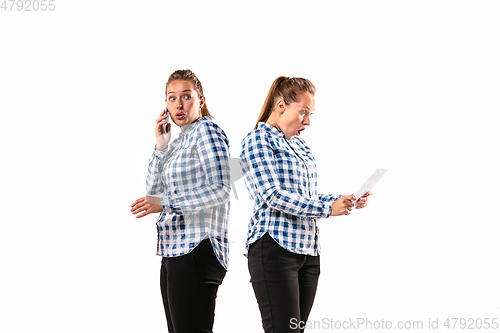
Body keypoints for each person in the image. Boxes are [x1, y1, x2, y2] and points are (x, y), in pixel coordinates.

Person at [239, 76, 372, 333]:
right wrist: (326, 209)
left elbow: (307, 195)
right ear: (280, 106)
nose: (308, 121)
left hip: (308, 252)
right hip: (274, 249)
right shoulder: (257, 140)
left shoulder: (300, 146)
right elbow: (272, 195)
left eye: (310, 114)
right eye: (303, 112)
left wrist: (343, 200)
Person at [130, 69, 231, 333]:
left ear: (201, 100)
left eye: (186, 96)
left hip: (198, 248)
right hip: (174, 251)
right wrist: (161, 145)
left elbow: (221, 189)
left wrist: (166, 202)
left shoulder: (207, 130)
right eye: (171, 98)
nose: (178, 104)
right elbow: (152, 193)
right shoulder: (178, 143)